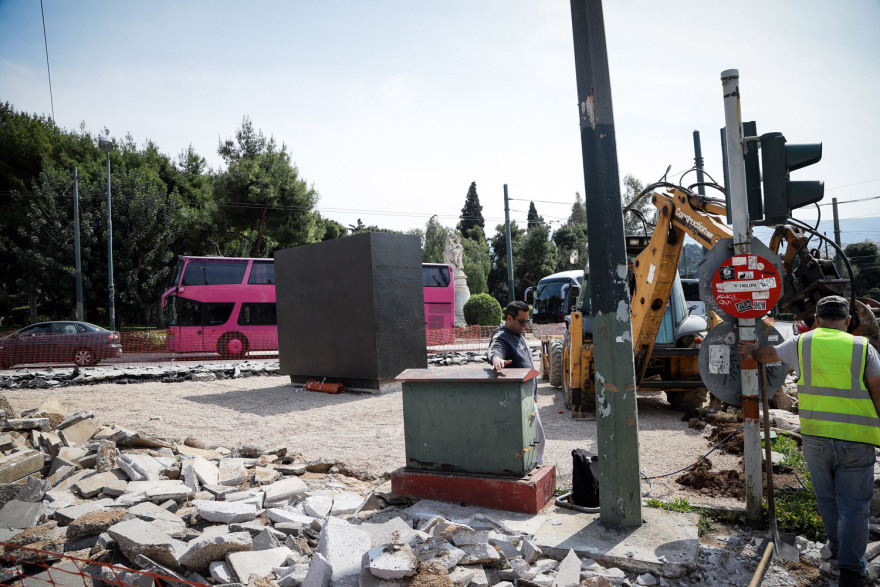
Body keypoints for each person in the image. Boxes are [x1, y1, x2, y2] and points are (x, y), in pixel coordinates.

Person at [738, 295, 880, 587]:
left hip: (816, 437)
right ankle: (852, 571)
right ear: (848, 321)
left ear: (816, 319)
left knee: (828, 500)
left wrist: (752, 352)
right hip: (856, 438)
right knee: (855, 506)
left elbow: (768, 355)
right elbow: (878, 392)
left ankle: (836, 554)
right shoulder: (863, 347)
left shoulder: (802, 342)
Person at [488, 300, 546, 465]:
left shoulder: (518, 334)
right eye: (522, 321)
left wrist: (534, 393)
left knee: (536, 435)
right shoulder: (502, 337)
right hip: (517, 398)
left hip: (528, 395)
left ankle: (534, 463)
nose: (525, 325)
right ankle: (532, 465)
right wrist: (496, 358)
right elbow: (495, 349)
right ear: (509, 318)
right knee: (534, 435)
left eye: (527, 321)